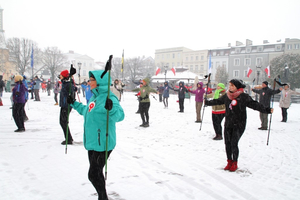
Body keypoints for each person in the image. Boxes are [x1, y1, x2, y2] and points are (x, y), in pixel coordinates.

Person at [67, 70, 124, 200]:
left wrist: (112, 109)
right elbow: (86, 111)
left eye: (91, 80)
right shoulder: (94, 97)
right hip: (93, 142)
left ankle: (103, 197)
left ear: (99, 82)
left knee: (93, 174)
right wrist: (74, 103)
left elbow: (120, 116)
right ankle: (102, 197)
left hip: (103, 143)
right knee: (97, 173)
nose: (89, 82)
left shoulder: (110, 98)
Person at [205, 79, 273, 172]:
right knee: (227, 143)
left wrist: (267, 110)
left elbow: (254, 105)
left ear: (237, 87)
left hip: (239, 124)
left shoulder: (243, 96)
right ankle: (229, 161)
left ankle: (235, 162)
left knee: (234, 143)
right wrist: (207, 102)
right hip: (228, 123)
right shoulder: (227, 96)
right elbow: (217, 101)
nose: (230, 87)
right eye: (229, 85)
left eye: (232, 85)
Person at [59, 70, 75, 145]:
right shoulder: (65, 83)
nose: (60, 76)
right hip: (64, 104)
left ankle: (68, 139)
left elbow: (72, 92)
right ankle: (69, 138)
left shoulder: (68, 84)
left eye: (61, 75)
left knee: (63, 122)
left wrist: (70, 99)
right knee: (62, 121)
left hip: (66, 105)